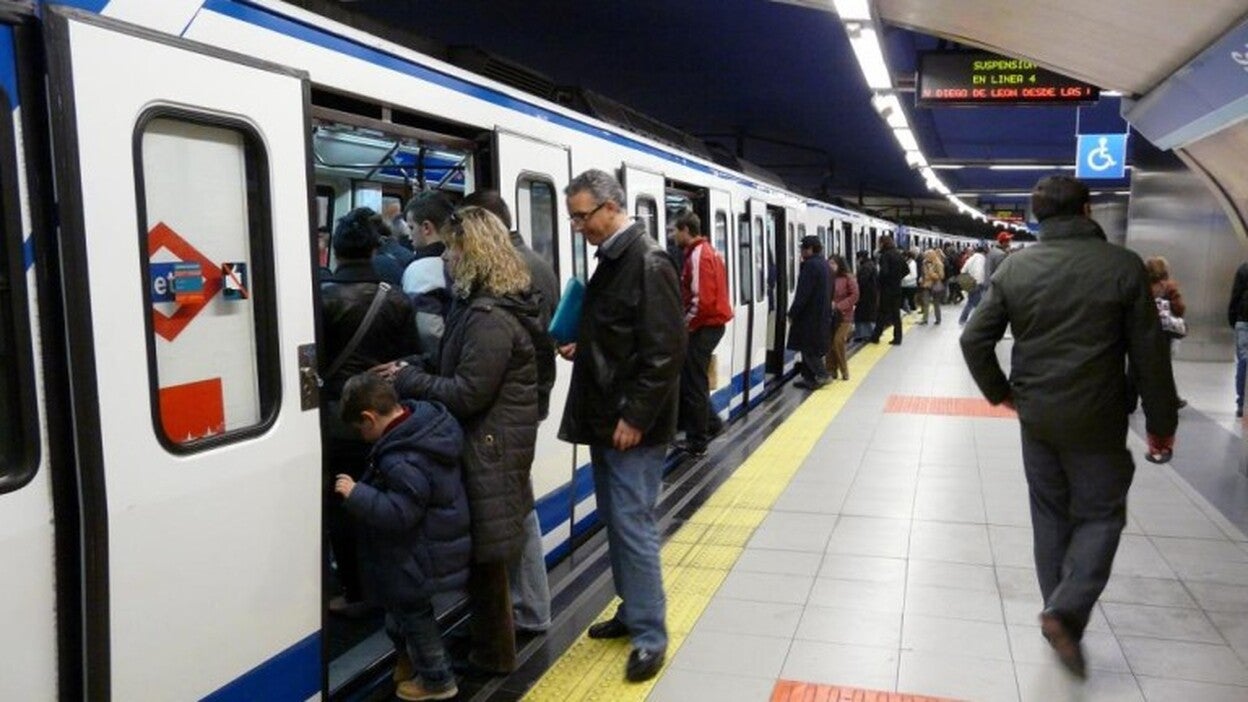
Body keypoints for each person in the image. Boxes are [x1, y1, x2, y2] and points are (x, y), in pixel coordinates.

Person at [960, 175, 1178, 677]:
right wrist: (1161, 424)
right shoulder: (1123, 267)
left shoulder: (1017, 267)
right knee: (1101, 515)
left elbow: (974, 341)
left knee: (1049, 515)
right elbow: (1150, 357)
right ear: (1086, 212)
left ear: (1038, 218)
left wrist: (1003, 394)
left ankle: (1057, 612)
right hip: (1100, 419)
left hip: (1036, 417)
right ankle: (1065, 610)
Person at [384, 206, 542, 675]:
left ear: (471, 253)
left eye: (453, 248)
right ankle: (489, 648)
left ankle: (494, 657)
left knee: (488, 560)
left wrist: (410, 380)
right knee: (486, 559)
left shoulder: (488, 317)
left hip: (488, 448)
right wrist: (413, 367)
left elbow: (468, 393)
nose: (446, 257)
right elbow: (460, 371)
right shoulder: (480, 307)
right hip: (491, 444)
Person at [556, 169, 684, 683]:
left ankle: (651, 635)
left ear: (611, 207)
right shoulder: (612, 259)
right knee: (616, 519)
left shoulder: (648, 262)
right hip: (606, 419)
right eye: (574, 218)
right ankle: (632, 612)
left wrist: (636, 417)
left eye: (583, 216)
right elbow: (621, 334)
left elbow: (664, 353)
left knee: (633, 525)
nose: (579, 226)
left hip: (632, 427)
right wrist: (584, 347)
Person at [333, 372, 469, 702]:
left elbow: (401, 514)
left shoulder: (401, 458)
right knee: (400, 616)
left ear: (369, 417)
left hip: (417, 554)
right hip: (421, 549)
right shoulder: (420, 426)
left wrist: (357, 494)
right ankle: (409, 660)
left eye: (360, 429)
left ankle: (438, 680)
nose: (362, 437)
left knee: (415, 619)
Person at [460, 188, 556, 636]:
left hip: (504, 416)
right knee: (516, 507)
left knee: (512, 513)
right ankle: (521, 610)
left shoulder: (493, 305)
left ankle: (520, 614)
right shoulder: (534, 266)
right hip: (524, 406)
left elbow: (473, 386)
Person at [319, 207, 422, 617]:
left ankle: (354, 589)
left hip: (338, 419)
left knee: (345, 505)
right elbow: (414, 355)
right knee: (386, 500)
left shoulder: (321, 298)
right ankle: (390, 585)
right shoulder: (395, 298)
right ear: (373, 249)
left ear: (338, 252)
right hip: (386, 416)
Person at [671, 211, 733, 457]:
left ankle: (698, 440)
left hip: (705, 325)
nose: (673, 235)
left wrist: (684, 326)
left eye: (675, 230)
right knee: (692, 378)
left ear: (686, 229)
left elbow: (701, 300)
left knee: (693, 383)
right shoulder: (710, 252)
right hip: (710, 324)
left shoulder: (698, 255)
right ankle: (711, 424)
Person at [401, 191, 457, 359]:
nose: (409, 236)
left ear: (426, 227)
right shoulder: (463, 259)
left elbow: (428, 332)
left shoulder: (420, 269)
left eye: (411, 227)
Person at [787, 235, 832, 388]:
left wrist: (793, 313)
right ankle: (808, 378)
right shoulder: (825, 265)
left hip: (810, 316)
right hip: (821, 313)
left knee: (808, 349)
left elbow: (803, 293)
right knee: (810, 346)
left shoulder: (810, 266)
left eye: (803, 249)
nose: (801, 252)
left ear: (811, 249)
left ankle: (822, 374)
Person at [1146, 256, 1187, 408]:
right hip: (1165, 333)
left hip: (1144, 332)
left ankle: (1130, 398)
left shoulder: (1142, 286)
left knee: (1138, 366)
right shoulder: (1169, 287)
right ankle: (1171, 398)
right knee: (1164, 366)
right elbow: (1180, 308)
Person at [826, 253, 859, 381]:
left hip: (845, 316)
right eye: (829, 263)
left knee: (838, 341)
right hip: (831, 316)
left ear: (839, 265)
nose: (830, 266)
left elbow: (855, 295)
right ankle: (831, 370)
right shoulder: (828, 278)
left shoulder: (848, 278)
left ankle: (844, 370)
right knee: (829, 343)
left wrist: (839, 305)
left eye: (833, 263)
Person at [870, 234, 905, 345]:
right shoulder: (898, 254)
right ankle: (898, 338)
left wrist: (879, 282)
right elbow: (906, 269)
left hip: (886, 290)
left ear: (882, 243)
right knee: (896, 315)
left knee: (882, 313)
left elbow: (884, 273)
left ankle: (875, 336)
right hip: (897, 289)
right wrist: (897, 278)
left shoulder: (885, 255)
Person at [1229, 261, 1248, 418]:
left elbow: (1235, 296)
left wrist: (1233, 319)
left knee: (1244, 361)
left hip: (1244, 320)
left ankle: (1242, 403)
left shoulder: (1244, 268)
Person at [958, 244, 988, 325]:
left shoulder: (971, 258)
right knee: (975, 303)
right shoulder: (981, 259)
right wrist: (979, 282)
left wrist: (968, 279)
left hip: (970, 283)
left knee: (971, 302)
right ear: (983, 252)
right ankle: (969, 320)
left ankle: (964, 319)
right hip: (977, 284)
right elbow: (979, 272)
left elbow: (963, 271)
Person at [853, 250, 878, 342]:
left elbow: (862, 281)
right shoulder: (871, 265)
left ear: (860, 258)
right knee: (868, 315)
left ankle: (863, 334)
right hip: (870, 295)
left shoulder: (865, 267)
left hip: (865, 295)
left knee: (863, 315)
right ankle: (867, 334)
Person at [917, 247, 945, 325]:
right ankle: (924, 319)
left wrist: (932, 275)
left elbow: (942, 276)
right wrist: (921, 279)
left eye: (928, 256)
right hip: (926, 285)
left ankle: (938, 319)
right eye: (926, 256)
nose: (926, 257)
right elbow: (922, 273)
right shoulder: (924, 263)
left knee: (936, 303)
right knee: (926, 303)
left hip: (935, 285)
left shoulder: (939, 263)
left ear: (933, 255)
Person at [900, 249, 918, 314]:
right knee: (905, 300)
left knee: (910, 300)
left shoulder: (912, 263)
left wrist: (902, 278)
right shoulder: (909, 262)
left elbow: (913, 275)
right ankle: (908, 311)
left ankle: (911, 312)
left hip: (910, 285)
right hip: (906, 285)